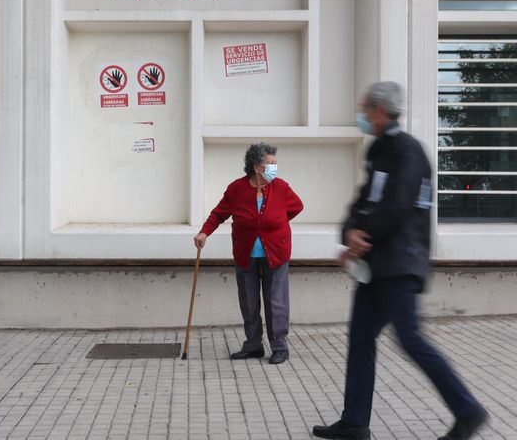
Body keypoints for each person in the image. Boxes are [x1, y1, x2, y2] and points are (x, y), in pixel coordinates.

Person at [313, 81, 487, 440]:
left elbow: (398, 205)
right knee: (361, 338)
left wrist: (362, 236)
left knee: (410, 338)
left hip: (401, 264)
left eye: (364, 108)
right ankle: (355, 422)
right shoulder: (378, 150)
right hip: (376, 267)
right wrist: (349, 232)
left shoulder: (409, 151)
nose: (361, 115)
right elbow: (362, 201)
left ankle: (468, 410)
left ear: (379, 111)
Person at [194, 143, 303, 365]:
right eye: (270, 164)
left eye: (275, 163)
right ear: (256, 166)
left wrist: (276, 224)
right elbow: (218, 214)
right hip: (246, 254)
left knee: (276, 301)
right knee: (249, 301)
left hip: (276, 253)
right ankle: (253, 345)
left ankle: (279, 346)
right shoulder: (236, 189)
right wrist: (204, 232)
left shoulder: (281, 187)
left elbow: (296, 207)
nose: (275, 167)